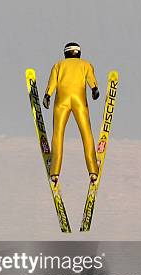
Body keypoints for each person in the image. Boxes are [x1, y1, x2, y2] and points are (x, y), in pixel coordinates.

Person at [42, 42, 100, 184]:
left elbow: (52, 83)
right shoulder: (86, 64)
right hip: (79, 101)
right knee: (86, 133)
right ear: (79, 53)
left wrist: (47, 95)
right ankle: (93, 170)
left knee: (58, 134)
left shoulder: (58, 65)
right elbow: (91, 80)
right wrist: (94, 89)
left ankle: (54, 171)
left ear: (65, 53)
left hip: (61, 101)